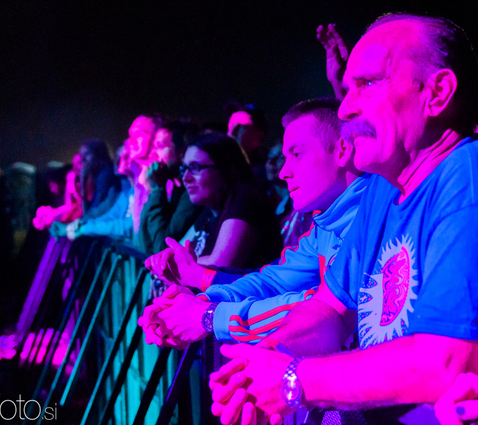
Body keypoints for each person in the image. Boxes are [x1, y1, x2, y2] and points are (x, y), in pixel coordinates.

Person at [209, 13, 478, 425]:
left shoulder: (473, 175)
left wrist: (293, 382)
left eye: (367, 84)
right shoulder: (382, 189)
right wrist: (264, 365)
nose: (347, 106)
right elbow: (330, 309)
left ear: (436, 93)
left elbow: (444, 361)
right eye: (348, 88)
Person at [140, 98, 367, 349]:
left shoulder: (370, 217)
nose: (284, 172)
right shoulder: (324, 225)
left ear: (343, 150)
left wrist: (208, 316)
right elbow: (274, 282)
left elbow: (319, 306)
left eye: (297, 154)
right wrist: (202, 302)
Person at [174, 131, 281, 269]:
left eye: (195, 168)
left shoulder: (245, 197)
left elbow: (221, 265)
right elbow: (177, 252)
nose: (186, 178)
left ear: (228, 169)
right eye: (184, 169)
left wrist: (177, 266)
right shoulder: (209, 211)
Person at [138, 119, 203, 254]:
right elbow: (143, 242)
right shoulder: (176, 188)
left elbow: (161, 247)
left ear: (182, 153)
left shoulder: (192, 192)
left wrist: (157, 190)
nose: (152, 154)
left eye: (160, 146)